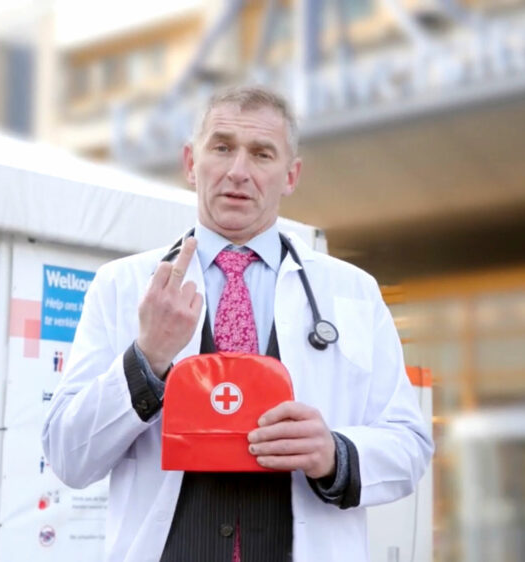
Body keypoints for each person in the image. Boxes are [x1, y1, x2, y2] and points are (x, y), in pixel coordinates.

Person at [42, 86, 433, 561]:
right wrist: (147, 359)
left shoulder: (353, 293)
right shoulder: (121, 286)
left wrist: (336, 453)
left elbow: (410, 445)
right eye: (222, 147)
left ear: (290, 175)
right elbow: (68, 456)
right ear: (191, 163)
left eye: (262, 154)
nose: (238, 172)